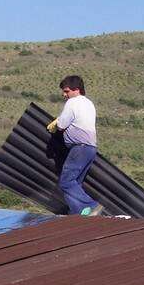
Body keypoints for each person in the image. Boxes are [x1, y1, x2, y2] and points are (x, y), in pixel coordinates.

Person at [47, 75, 103, 216]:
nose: (64, 94)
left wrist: (57, 122)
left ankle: (92, 206)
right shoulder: (89, 103)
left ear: (76, 90)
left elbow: (61, 125)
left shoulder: (72, 103)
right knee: (76, 182)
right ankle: (79, 212)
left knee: (66, 181)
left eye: (66, 91)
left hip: (79, 147)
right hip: (90, 148)